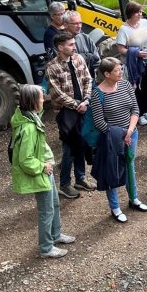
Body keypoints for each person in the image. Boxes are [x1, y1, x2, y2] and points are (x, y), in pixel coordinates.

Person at [10, 84, 75, 258]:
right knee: (46, 210)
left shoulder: (31, 117)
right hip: (40, 171)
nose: (44, 99)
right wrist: (42, 166)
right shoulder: (29, 128)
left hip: (45, 170)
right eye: (40, 97)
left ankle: (56, 234)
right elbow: (25, 160)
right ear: (32, 101)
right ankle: (46, 248)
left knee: (54, 204)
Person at [90, 57, 146, 221]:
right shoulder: (97, 93)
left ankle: (133, 198)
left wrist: (129, 132)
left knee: (129, 165)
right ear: (107, 74)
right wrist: (121, 135)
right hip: (112, 139)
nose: (121, 72)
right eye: (117, 70)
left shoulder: (126, 85)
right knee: (112, 170)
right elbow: (99, 122)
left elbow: (135, 109)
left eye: (121, 68)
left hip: (131, 134)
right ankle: (115, 207)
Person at [46, 32, 95, 199]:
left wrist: (86, 100)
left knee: (82, 143)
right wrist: (76, 105)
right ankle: (64, 184)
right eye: (71, 44)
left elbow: (88, 80)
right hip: (66, 113)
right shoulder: (52, 67)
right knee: (69, 148)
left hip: (83, 107)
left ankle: (80, 178)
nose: (74, 47)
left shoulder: (79, 59)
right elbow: (56, 94)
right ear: (61, 47)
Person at [111, 1, 147, 126]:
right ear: (130, 14)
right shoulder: (124, 29)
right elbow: (121, 49)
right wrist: (135, 53)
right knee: (137, 89)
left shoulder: (145, 23)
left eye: (141, 11)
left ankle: (146, 111)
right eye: (138, 12)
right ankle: (139, 114)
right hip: (135, 64)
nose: (140, 14)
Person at [62, 10, 100, 76]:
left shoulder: (85, 37)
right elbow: (66, 64)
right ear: (65, 25)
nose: (79, 26)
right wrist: (87, 56)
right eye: (75, 23)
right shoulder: (60, 41)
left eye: (80, 23)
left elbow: (97, 60)